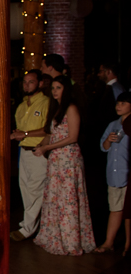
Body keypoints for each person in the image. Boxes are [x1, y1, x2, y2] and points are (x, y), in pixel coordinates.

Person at [33, 76, 96, 255]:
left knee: (68, 198)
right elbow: (51, 133)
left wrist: (47, 147)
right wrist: (41, 145)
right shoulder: (56, 109)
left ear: (66, 89)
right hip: (56, 159)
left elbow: (72, 137)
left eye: (58, 88)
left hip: (68, 158)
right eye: (52, 88)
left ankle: (70, 240)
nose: (54, 91)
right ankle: (55, 236)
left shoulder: (71, 108)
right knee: (55, 197)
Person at [9, 70, 50, 242]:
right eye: (25, 82)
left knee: (35, 190)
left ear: (40, 83)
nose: (27, 85)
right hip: (23, 151)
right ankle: (29, 222)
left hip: (38, 151)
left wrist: (25, 134)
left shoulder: (46, 103)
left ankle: (28, 228)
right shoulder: (21, 106)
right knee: (25, 188)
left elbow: (48, 128)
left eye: (31, 82)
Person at [97, 92, 131, 254]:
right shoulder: (113, 125)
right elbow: (103, 147)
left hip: (127, 174)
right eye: (118, 103)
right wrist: (108, 140)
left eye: (123, 103)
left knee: (128, 212)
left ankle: (127, 245)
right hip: (114, 174)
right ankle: (109, 242)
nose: (119, 106)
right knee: (115, 208)